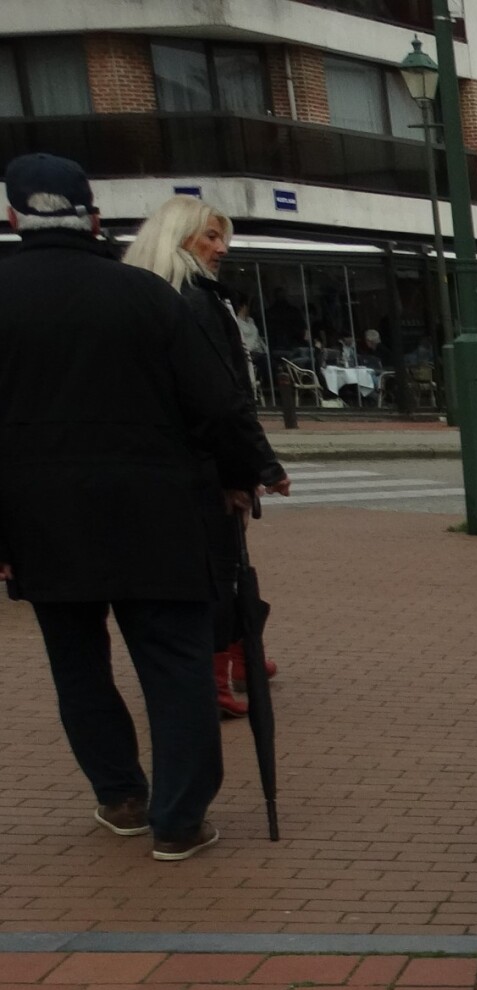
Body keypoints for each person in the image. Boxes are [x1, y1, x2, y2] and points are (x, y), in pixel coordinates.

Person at [0, 155, 275, 862]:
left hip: (43, 519)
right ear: (93, 218)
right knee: (175, 664)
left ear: (12, 217)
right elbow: (215, 404)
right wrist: (251, 470)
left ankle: (121, 794)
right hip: (156, 511)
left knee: (78, 665)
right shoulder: (145, 296)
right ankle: (180, 817)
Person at [124, 195, 290, 719]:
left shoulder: (146, 294)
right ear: (180, 237)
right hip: (200, 462)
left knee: (215, 566)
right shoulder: (194, 300)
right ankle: (218, 669)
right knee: (218, 567)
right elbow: (221, 397)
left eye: (224, 238)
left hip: (163, 461)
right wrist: (254, 466)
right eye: (211, 237)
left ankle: (236, 654)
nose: (221, 248)